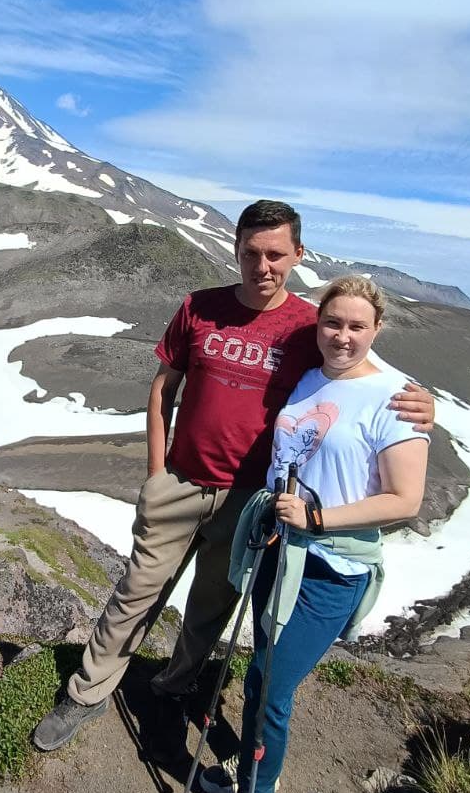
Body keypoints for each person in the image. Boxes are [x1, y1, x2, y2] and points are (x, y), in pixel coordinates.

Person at [32, 202, 434, 756]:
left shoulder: (307, 326)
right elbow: (160, 392)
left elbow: (358, 368)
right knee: (136, 592)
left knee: (211, 604)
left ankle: (175, 684)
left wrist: (424, 405)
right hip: (181, 482)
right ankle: (86, 692)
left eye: (275, 254)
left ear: (297, 254)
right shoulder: (200, 307)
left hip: (249, 500)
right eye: (251, 252)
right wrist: (156, 476)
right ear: (236, 249)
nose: (262, 265)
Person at [203, 275, 429, 793]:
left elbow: (405, 499)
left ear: (377, 330)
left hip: (332, 567)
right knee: (260, 673)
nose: (343, 336)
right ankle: (252, 752)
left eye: (357, 326)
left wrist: (318, 516)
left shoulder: (396, 398)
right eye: (333, 323)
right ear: (319, 325)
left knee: (271, 683)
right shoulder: (309, 379)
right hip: (278, 550)